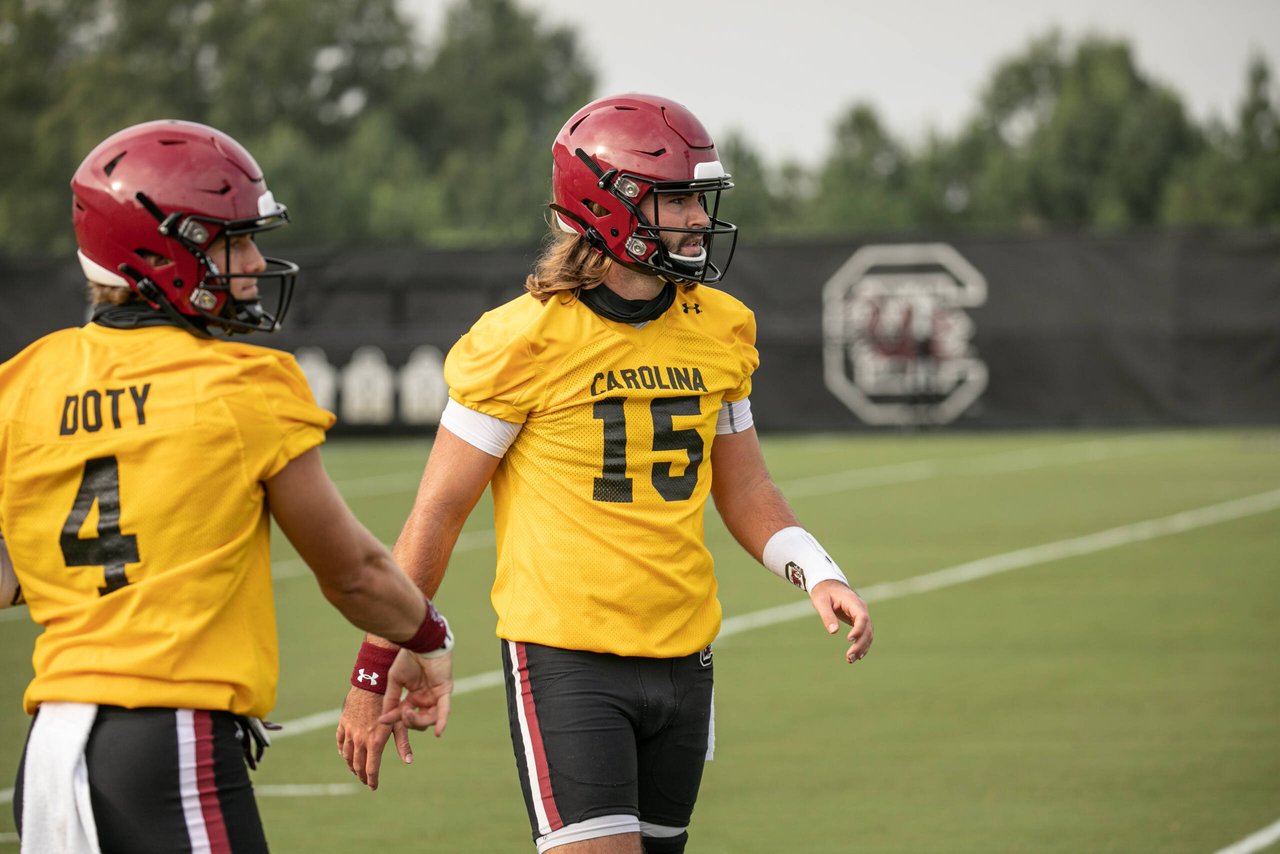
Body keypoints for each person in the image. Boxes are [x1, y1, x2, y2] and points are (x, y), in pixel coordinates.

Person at [337, 94, 874, 854]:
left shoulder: (720, 326)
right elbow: (438, 513)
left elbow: (746, 488)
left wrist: (818, 571)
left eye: (699, 199)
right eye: (677, 199)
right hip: (568, 659)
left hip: (684, 659)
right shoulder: (521, 340)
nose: (698, 218)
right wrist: (375, 664)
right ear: (608, 204)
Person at [0, 119, 453, 854]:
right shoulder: (241, 384)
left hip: (51, 749)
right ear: (160, 254)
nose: (254, 262)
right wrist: (428, 635)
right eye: (231, 242)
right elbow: (355, 574)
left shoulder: (22, 381)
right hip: (169, 736)